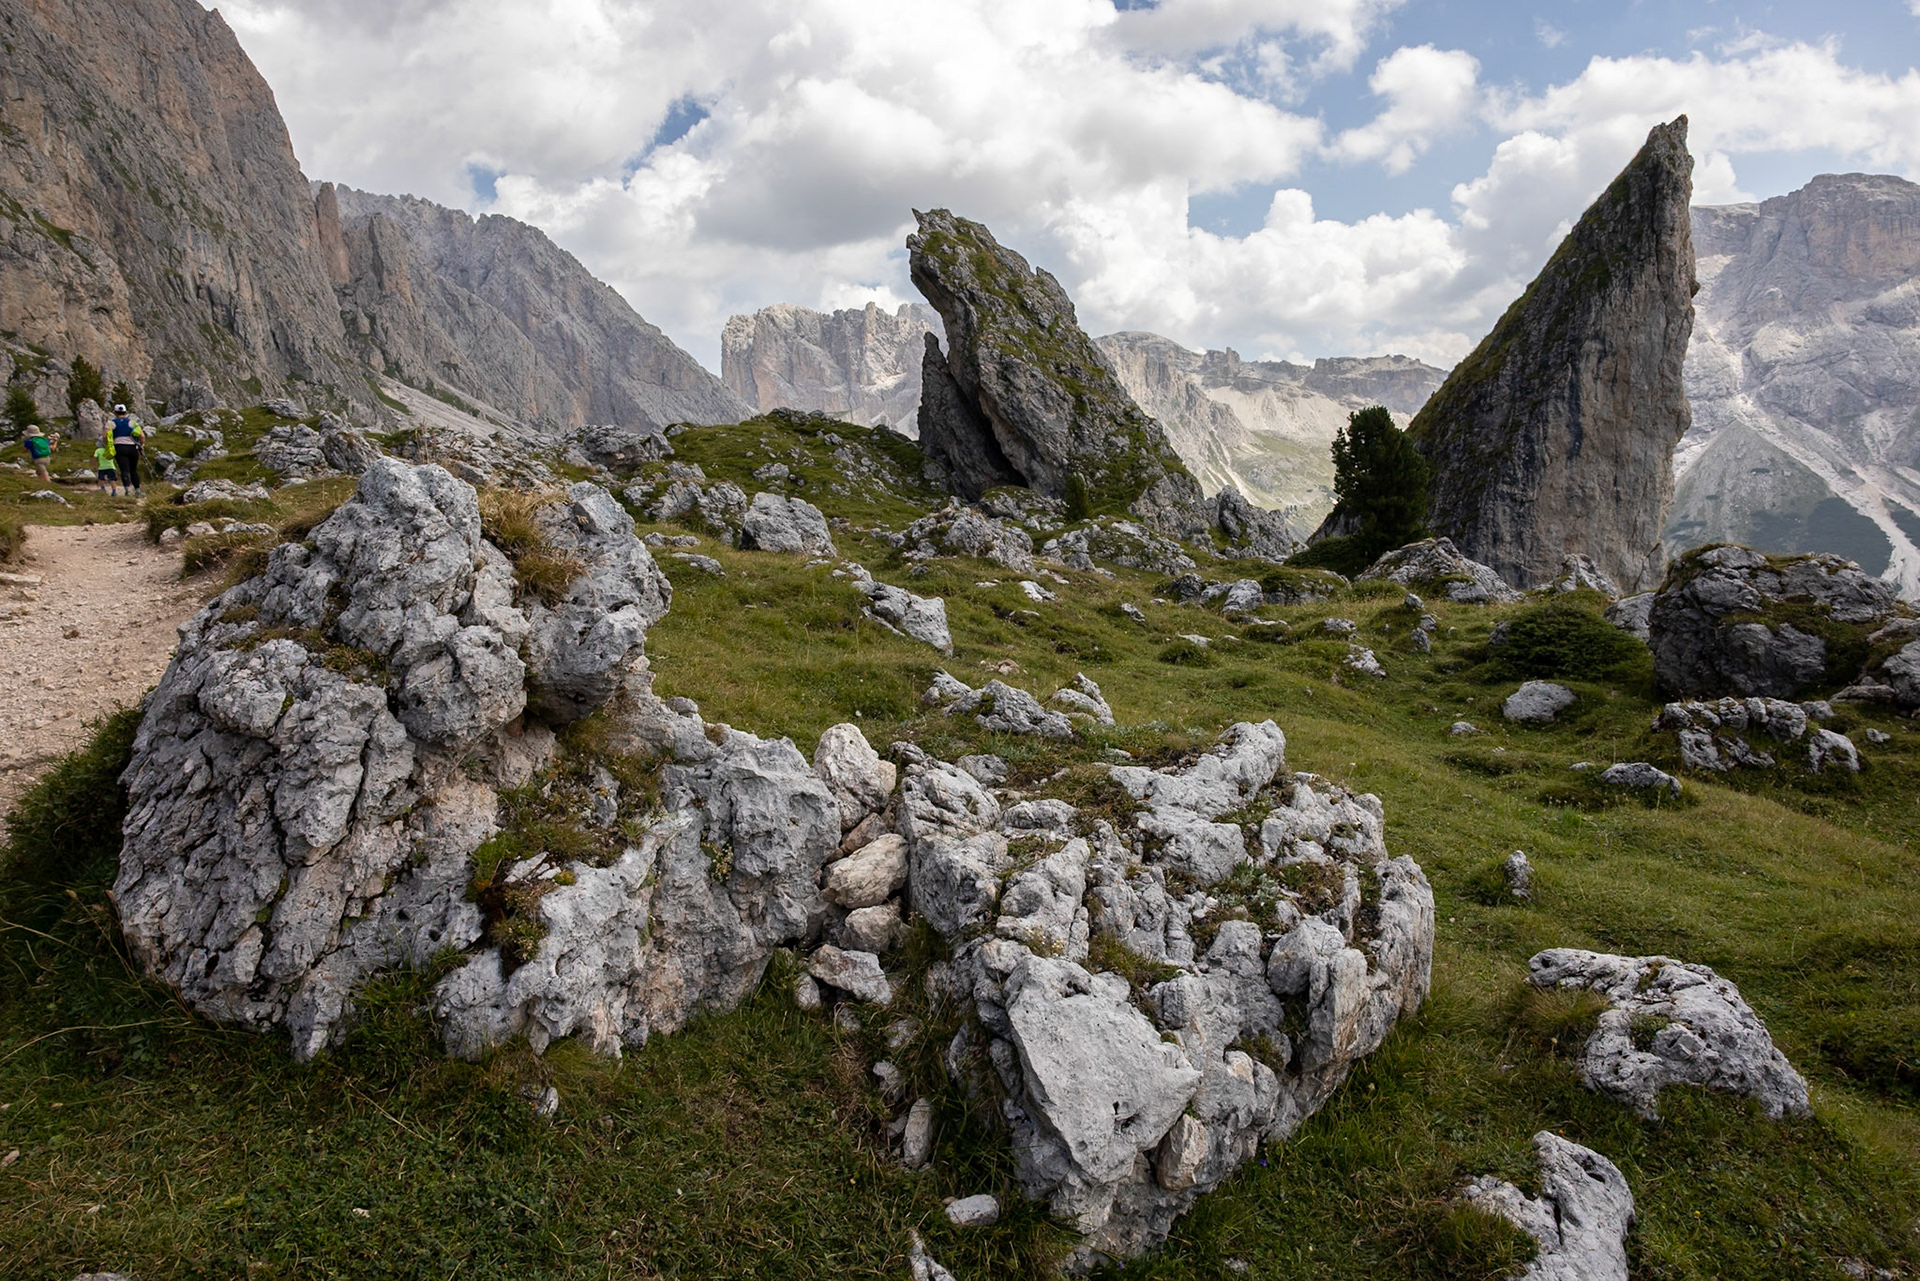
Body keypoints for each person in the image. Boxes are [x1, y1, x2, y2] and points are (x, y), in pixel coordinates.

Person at [110, 403, 144, 496]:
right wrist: (141, 445)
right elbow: (141, 435)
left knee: (124, 470)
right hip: (132, 447)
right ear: (126, 412)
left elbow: (105, 436)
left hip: (119, 447)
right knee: (134, 469)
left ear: (115, 413)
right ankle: (137, 490)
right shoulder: (133, 423)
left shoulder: (111, 423)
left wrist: (108, 446)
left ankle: (127, 490)